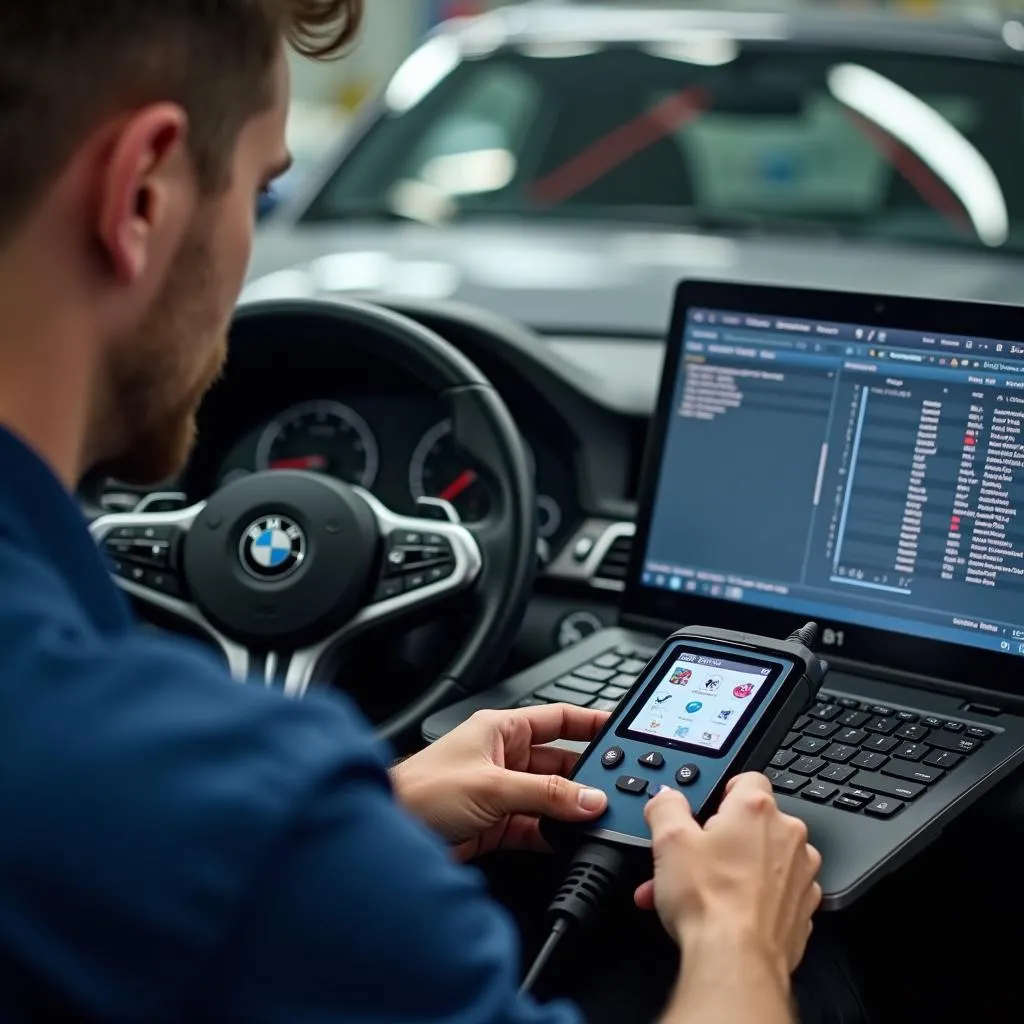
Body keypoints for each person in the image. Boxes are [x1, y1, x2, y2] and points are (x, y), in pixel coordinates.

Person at [0, 3, 823, 1021]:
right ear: (142, 195)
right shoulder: (239, 802)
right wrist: (738, 936)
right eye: (259, 192)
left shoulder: (161, 798)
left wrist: (367, 816)